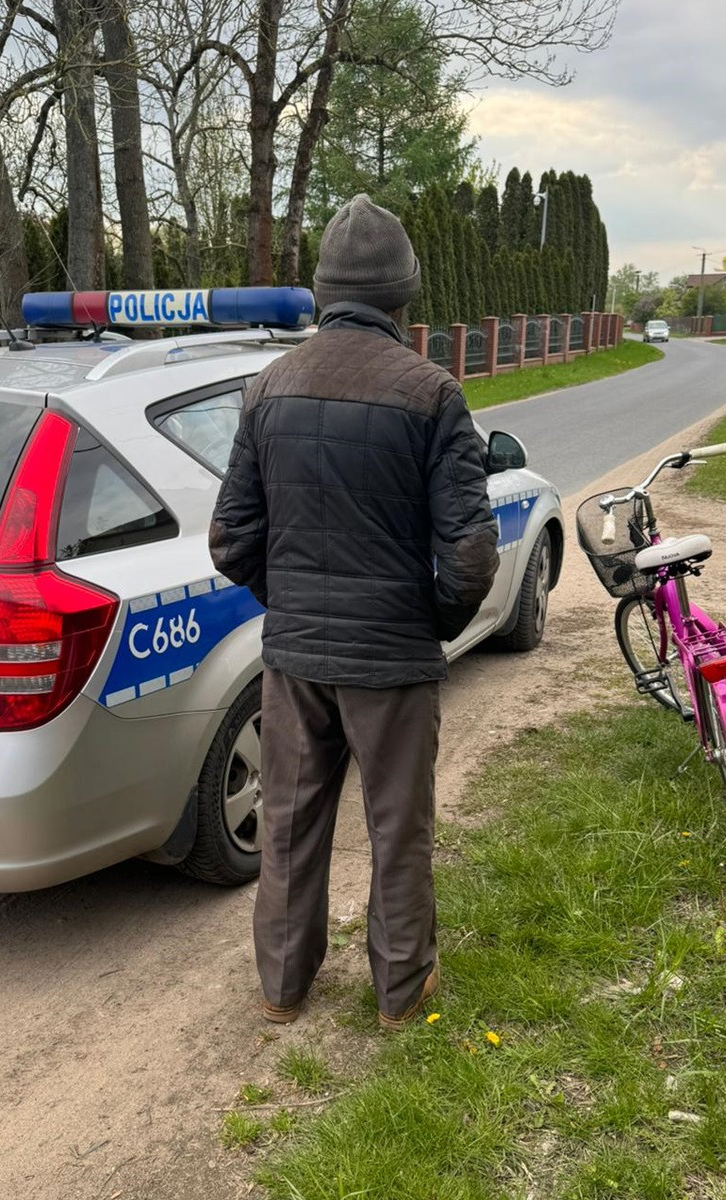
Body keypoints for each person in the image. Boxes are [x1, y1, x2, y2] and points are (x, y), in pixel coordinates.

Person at [208, 194, 500, 1030]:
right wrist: (431, 620)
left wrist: (294, 606)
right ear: (404, 296)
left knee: (290, 825)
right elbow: (471, 553)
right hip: (392, 660)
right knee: (396, 827)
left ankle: (282, 988)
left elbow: (230, 538)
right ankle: (401, 996)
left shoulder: (269, 387)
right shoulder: (433, 393)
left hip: (294, 661)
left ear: (323, 291)